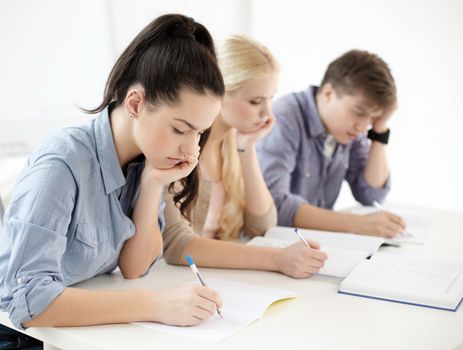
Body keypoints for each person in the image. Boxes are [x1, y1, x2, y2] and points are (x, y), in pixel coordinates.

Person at [0, 14, 225, 341]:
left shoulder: (144, 161)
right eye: (180, 129)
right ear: (135, 102)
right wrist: (157, 305)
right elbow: (29, 301)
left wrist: (152, 184)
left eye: (199, 134)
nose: (191, 149)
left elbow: (134, 267)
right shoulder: (62, 163)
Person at [162, 35, 327, 277]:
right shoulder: (178, 144)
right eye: (255, 101)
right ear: (218, 93)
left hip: (220, 279)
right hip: (173, 281)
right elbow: (176, 245)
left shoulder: (232, 143)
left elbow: (262, 226)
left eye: (271, 99)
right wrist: (278, 259)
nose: (267, 113)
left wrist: (247, 149)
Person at [257, 50, 406, 238]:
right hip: (274, 245)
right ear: (328, 93)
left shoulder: (350, 131)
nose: (363, 127)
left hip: (313, 245)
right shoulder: (285, 117)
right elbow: (274, 205)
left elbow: (371, 194)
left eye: (373, 117)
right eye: (359, 112)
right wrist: (356, 224)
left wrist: (380, 130)